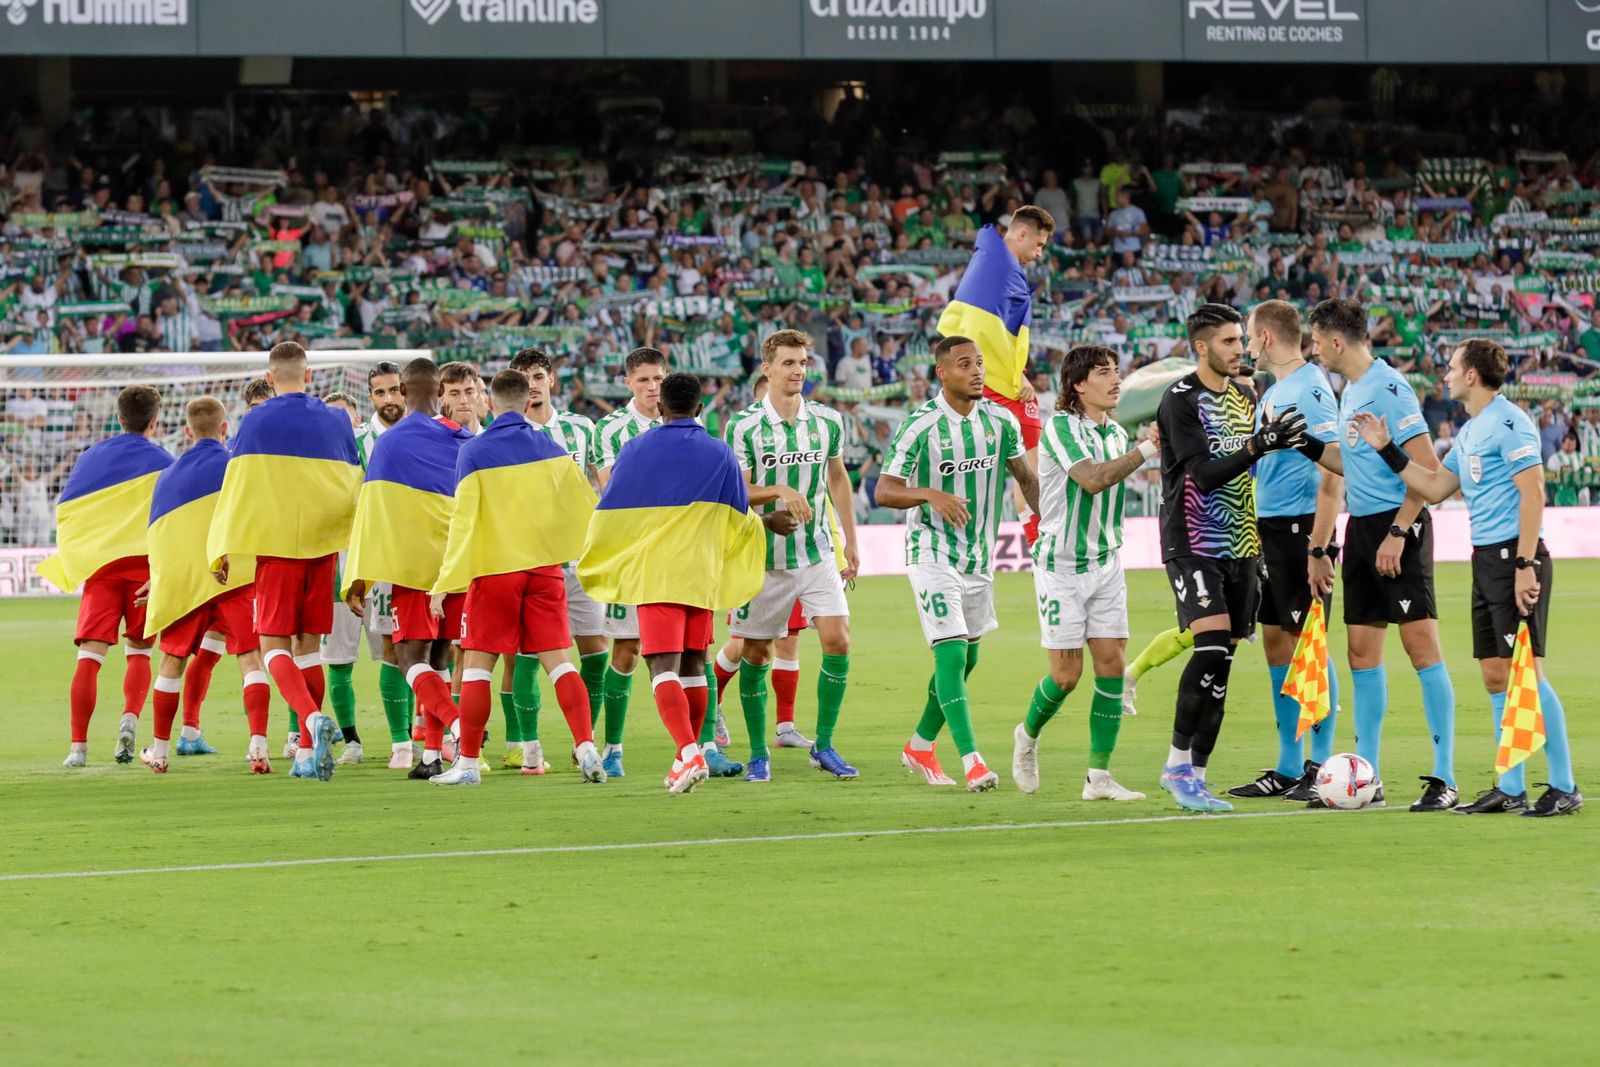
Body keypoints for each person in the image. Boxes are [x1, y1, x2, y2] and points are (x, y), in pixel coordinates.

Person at [1351, 339, 1580, 817]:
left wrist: (1523, 566)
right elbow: (1435, 487)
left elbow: (1533, 492)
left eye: (1453, 367)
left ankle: (1563, 785)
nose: (1446, 374)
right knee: (1497, 675)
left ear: (1473, 375)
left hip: (1515, 559)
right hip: (1485, 560)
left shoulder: (1510, 421)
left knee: (1528, 676)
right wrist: (1387, 449)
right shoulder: (1473, 430)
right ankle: (1510, 786)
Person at [578, 372, 767, 794]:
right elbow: (738, 516)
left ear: (660, 408)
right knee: (694, 666)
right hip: (700, 573)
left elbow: (610, 511)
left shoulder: (634, 449)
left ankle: (688, 752)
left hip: (656, 572)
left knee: (660, 665)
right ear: (699, 410)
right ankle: (695, 746)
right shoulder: (720, 453)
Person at [1305, 298, 1459, 812]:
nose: (1312, 349)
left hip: (1400, 526)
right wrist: (1302, 444)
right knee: (1361, 654)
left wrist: (1399, 530)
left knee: (1421, 649)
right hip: (1362, 529)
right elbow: (1351, 465)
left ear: (1335, 341)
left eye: (1314, 339)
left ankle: (1445, 776)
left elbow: (1427, 470)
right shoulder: (1348, 391)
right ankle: (1366, 777)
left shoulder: (1390, 388)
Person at [1155, 303, 1308, 812]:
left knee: (1225, 662)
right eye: (1227, 342)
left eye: (1241, 340)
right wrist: (1258, 445)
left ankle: (1196, 777)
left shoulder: (1246, 396)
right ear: (1201, 347)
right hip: (1194, 540)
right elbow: (1201, 474)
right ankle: (1176, 765)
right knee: (1211, 646)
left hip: (1243, 544)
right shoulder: (1181, 401)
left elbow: (1252, 475)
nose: (1240, 349)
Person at [875, 335, 1039, 792]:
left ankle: (920, 745)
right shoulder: (921, 424)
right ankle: (973, 761)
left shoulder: (1000, 420)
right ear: (942, 373)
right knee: (949, 652)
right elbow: (884, 490)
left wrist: (1046, 524)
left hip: (979, 555)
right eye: (965, 364)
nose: (977, 371)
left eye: (980, 363)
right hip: (931, 550)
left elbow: (1025, 478)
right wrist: (929, 493)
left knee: (967, 658)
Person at [428, 370, 604, 787]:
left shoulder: (474, 450)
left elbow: (463, 522)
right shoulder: (553, 448)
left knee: (476, 667)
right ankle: (586, 745)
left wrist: (445, 581)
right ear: (528, 404)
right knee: (560, 662)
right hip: (545, 571)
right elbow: (585, 509)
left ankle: (468, 763)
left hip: (495, 572)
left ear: (490, 401)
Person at [208, 341, 361, 781]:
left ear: (270, 380)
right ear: (309, 376)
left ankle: (311, 721)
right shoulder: (336, 418)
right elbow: (354, 479)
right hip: (323, 549)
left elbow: (238, 485)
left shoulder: (257, 419)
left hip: (276, 550)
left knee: (273, 645)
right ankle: (307, 755)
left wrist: (222, 545)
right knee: (309, 649)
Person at [1012, 345, 1156, 801]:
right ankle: (1027, 736)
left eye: (1117, 371)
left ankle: (1099, 778)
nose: (1116, 379)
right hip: (1061, 567)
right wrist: (1149, 448)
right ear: (1078, 384)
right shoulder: (1060, 428)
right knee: (1066, 677)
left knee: (1111, 667)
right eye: (1103, 372)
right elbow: (1093, 479)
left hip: (1107, 563)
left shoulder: (1115, 433)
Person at [725, 329, 861, 783]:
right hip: (764, 557)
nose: (798, 370)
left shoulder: (827, 421)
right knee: (757, 653)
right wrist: (779, 491)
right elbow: (738, 490)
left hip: (817, 550)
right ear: (767, 368)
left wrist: (851, 539)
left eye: (802, 362)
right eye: (788, 362)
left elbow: (838, 478)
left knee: (838, 640)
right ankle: (759, 752)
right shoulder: (743, 425)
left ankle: (824, 745)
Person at [1225, 301, 1345, 802]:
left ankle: (1320, 764)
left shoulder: (1311, 388)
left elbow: (1334, 468)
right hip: (1269, 529)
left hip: (1301, 532)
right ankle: (1288, 764)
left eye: (1249, 336)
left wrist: (1319, 547)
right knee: (1277, 643)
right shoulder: (1277, 390)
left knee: (1307, 644)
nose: (1247, 345)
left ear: (1267, 338)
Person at [342, 358, 474, 777]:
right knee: (439, 660)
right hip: (455, 568)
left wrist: (359, 574)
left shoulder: (391, 443)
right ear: (439, 393)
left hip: (412, 568)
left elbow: (373, 511)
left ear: (401, 390)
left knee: (407, 657)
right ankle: (431, 757)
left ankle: (458, 725)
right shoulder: (462, 438)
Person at [40, 385, 173, 768]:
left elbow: (68, 510)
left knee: (90, 656)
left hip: (102, 569)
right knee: (140, 653)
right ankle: (129, 719)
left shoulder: (90, 458)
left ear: (119, 418)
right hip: (144, 572)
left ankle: (77, 748)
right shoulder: (165, 459)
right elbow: (170, 518)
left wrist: (76, 556)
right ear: (154, 420)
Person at [138, 397, 268, 773]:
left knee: (171, 662)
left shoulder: (168, 474)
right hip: (235, 579)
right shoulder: (238, 468)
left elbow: (160, 535)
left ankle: (160, 752)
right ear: (225, 428)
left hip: (187, 582)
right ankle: (258, 746)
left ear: (187, 432)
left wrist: (157, 577)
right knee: (251, 659)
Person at [514, 347, 612, 775]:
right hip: (528, 561)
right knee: (528, 655)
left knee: (595, 648)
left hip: (579, 562)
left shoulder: (580, 429)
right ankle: (529, 745)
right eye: (523, 376)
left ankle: (583, 742)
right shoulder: (506, 433)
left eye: (538, 375)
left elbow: (600, 486)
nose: (532, 383)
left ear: (551, 380)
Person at [935, 206, 1053, 541]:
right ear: (1022, 234)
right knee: (1011, 464)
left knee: (1027, 465)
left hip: (1010, 383)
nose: (1039, 253)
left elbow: (1000, 337)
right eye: (1039, 244)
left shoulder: (1005, 268)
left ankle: (1038, 538)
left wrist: (1021, 373)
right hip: (990, 385)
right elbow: (976, 329)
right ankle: (1038, 538)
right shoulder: (996, 262)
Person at [587, 347, 669, 778]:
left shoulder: (680, 418)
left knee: (689, 647)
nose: (653, 388)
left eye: (658, 379)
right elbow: (610, 489)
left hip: (677, 552)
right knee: (628, 648)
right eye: (643, 380)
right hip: (631, 554)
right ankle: (613, 746)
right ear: (628, 383)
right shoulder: (610, 429)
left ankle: (702, 743)